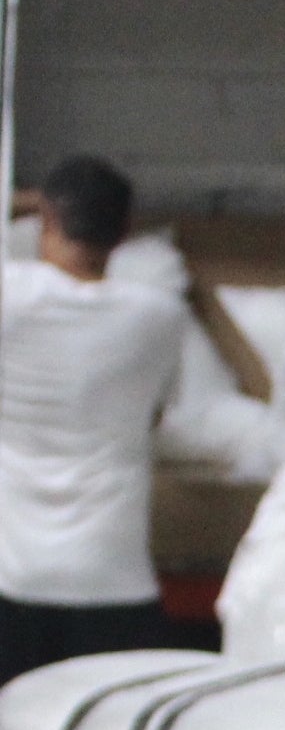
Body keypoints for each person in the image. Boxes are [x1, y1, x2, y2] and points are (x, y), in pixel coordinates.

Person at [0, 156, 190, 685]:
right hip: (113, 581)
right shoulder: (159, 318)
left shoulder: (9, 296)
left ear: (46, 222)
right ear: (125, 234)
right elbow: (153, 418)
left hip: (12, 579)